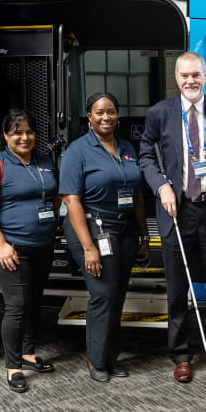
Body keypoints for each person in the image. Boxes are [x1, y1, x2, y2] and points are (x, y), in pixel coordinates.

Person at [138, 51, 206, 383]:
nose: (190, 81)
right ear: (176, 78)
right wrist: (161, 187)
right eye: (184, 75)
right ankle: (181, 356)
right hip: (177, 210)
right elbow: (145, 155)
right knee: (176, 289)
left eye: (196, 74)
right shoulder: (160, 113)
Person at [59, 92, 149, 383]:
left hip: (125, 229)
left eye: (111, 111)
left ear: (117, 116)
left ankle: (111, 357)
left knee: (118, 294)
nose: (106, 117)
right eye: (99, 112)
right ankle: (95, 359)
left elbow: (137, 194)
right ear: (89, 117)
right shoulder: (77, 151)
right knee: (103, 294)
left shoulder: (127, 147)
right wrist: (88, 248)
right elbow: (71, 200)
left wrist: (144, 236)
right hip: (93, 228)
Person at [0, 109, 60, 393]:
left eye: (29, 132)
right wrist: (0, 244)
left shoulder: (45, 162)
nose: (24, 137)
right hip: (12, 248)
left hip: (43, 245)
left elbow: (54, 196)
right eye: (17, 132)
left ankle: (28, 353)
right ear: (6, 135)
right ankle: (13, 367)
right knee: (17, 306)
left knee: (34, 301)